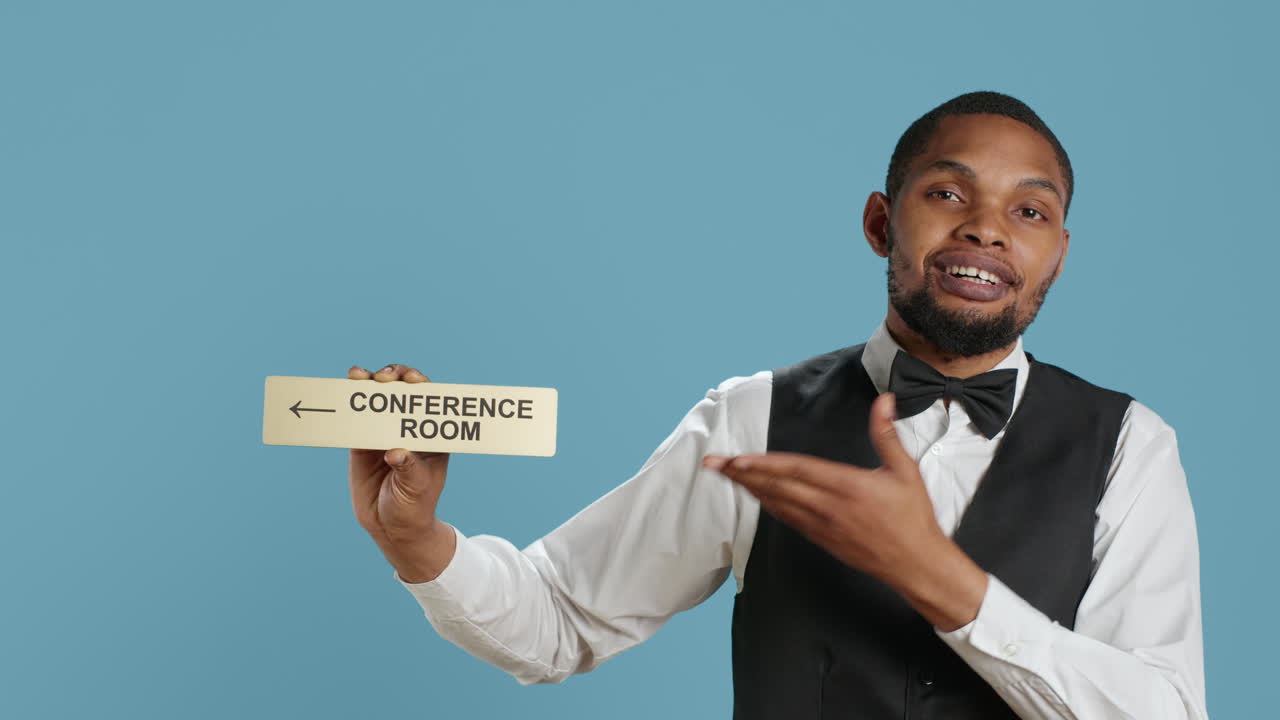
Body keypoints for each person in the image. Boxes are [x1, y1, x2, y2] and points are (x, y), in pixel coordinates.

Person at [345, 91, 1207, 719]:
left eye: (1029, 210)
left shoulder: (1131, 447)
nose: (986, 228)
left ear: (1056, 256)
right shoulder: (750, 418)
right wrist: (414, 537)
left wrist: (941, 580)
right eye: (948, 193)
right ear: (880, 223)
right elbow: (559, 620)